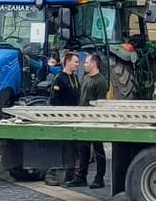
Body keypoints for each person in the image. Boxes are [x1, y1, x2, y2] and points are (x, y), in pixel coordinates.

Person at [69, 53, 109, 189]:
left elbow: (101, 103)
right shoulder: (85, 78)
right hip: (83, 119)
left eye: (86, 62)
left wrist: (96, 119)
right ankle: (81, 177)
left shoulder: (101, 81)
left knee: (98, 150)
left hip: (94, 120)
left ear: (94, 64)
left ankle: (99, 178)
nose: (84, 64)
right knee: (83, 149)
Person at [44, 52, 81, 186]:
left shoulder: (76, 78)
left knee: (71, 146)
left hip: (73, 117)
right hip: (62, 117)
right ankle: (51, 174)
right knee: (59, 146)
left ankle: (69, 175)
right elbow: (54, 99)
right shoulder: (59, 78)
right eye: (75, 62)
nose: (77, 64)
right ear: (68, 62)